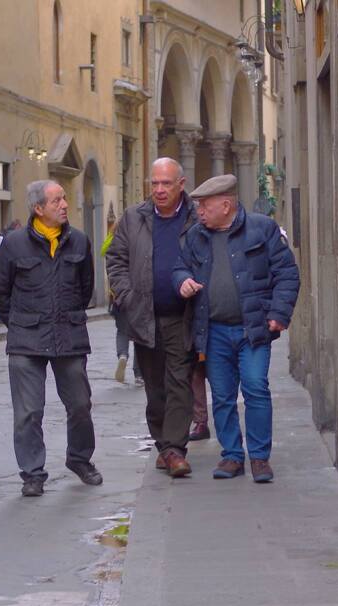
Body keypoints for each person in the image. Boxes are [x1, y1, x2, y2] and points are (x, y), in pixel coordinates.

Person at [174, 174, 300, 483]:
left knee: (256, 388)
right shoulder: (195, 236)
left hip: (252, 327)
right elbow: (180, 266)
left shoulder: (262, 229)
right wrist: (182, 281)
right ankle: (231, 455)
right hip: (213, 329)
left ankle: (259, 457)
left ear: (226, 204)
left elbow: (287, 273)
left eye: (205, 206)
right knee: (222, 395)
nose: (199, 211)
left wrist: (279, 314)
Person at [0, 179, 101, 497]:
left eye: (64, 199)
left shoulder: (79, 241)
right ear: (39, 209)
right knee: (28, 411)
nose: (65, 204)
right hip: (27, 337)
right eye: (57, 201)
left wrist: (66, 314)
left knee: (80, 404)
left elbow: (85, 289)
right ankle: (32, 473)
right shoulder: (14, 244)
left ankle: (80, 460)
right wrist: (18, 324)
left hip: (68, 333)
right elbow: (1, 292)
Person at [106, 158, 197, 478]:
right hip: (144, 316)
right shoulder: (134, 218)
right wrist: (128, 296)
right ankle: (164, 445)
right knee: (155, 388)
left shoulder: (194, 218)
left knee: (179, 384)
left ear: (181, 185)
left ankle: (174, 448)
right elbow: (115, 259)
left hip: (182, 317)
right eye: (154, 183)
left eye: (166, 183)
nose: (159, 190)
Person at [101, 217, 143, 386]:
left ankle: (123, 355)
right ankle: (139, 375)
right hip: (137, 294)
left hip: (116, 295)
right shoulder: (135, 242)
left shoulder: (109, 243)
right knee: (141, 334)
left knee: (122, 330)